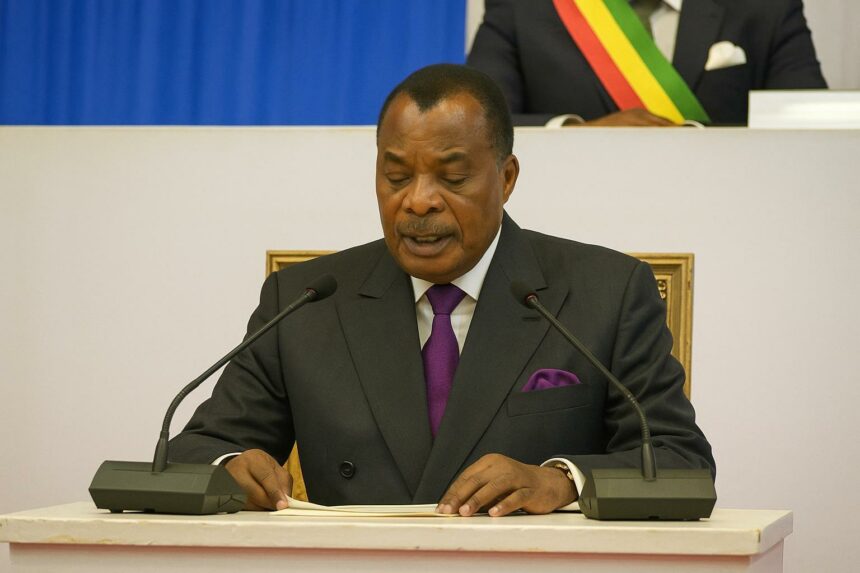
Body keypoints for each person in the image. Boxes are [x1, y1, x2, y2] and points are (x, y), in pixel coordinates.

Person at [169, 64, 714, 516]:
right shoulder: (306, 300)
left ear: (506, 178)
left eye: (452, 178)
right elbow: (191, 453)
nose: (418, 201)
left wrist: (561, 481)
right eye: (396, 176)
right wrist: (228, 469)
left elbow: (681, 464)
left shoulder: (606, 291)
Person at [467, 0, 827, 126]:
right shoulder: (522, 7)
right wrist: (577, 133)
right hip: (570, 226)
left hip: (732, 224)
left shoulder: (766, 7)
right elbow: (474, 125)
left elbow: (810, 128)